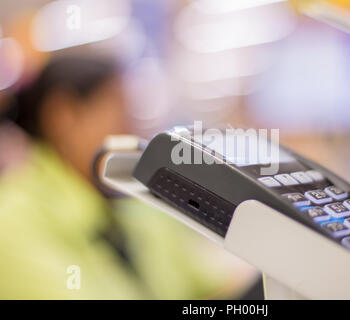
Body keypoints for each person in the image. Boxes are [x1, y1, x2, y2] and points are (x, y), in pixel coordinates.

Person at [0, 56, 255, 299]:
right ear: (63, 115)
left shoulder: (138, 201)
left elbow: (209, 287)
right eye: (120, 113)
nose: (131, 129)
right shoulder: (10, 223)